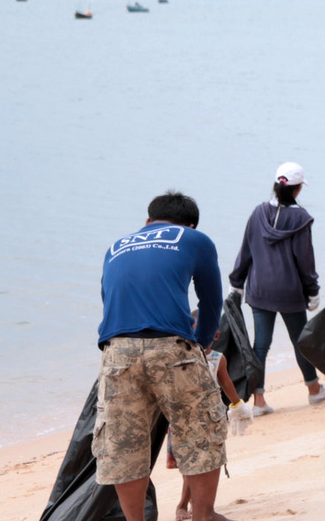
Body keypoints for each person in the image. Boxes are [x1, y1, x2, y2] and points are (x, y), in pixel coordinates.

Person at [95, 191, 234, 521]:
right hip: (172, 348)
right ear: (190, 225)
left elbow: (109, 297)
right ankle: (202, 516)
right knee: (201, 433)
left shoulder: (116, 247)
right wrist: (202, 343)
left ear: (147, 221)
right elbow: (211, 301)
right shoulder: (195, 239)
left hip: (117, 351)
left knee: (124, 445)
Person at [227, 162, 324, 416]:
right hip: (290, 291)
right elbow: (305, 260)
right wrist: (312, 290)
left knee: (261, 345)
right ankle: (314, 390)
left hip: (259, 290)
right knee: (300, 341)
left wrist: (236, 282)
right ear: (298, 188)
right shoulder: (301, 218)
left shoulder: (258, 212)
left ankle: (259, 401)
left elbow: (246, 249)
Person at [169, 315, 252, 521]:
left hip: (210, 420)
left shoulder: (217, 359)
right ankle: (183, 504)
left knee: (207, 463)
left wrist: (238, 406)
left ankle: (200, 507)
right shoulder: (179, 357)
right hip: (184, 419)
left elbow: (226, 383)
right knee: (189, 465)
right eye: (193, 331)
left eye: (203, 331)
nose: (197, 336)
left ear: (215, 335)